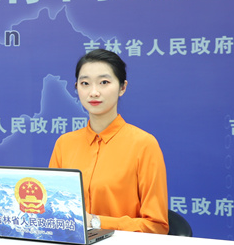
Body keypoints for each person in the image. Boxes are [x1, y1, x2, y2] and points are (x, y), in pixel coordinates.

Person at [49, 49, 169, 234]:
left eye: (104, 82)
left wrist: (96, 222)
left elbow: (157, 226)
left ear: (122, 87)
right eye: (85, 83)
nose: (94, 92)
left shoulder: (144, 144)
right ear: (76, 87)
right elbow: (52, 212)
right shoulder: (64, 144)